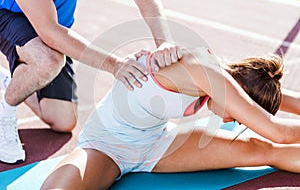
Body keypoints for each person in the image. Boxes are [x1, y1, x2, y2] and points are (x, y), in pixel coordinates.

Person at [41, 47, 300, 189]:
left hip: (157, 143)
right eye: (239, 115)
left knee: (263, 150)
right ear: (240, 94)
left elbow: (282, 100)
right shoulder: (204, 71)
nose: (229, 119)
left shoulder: (234, 77)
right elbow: (281, 132)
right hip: (106, 147)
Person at [0, 0, 182, 164]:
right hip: (7, 14)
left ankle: (16, 83)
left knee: (63, 121)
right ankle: (6, 111)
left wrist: (164, 42)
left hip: (53, 25)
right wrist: (115, 64)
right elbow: (49, 32)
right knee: (49, 60)